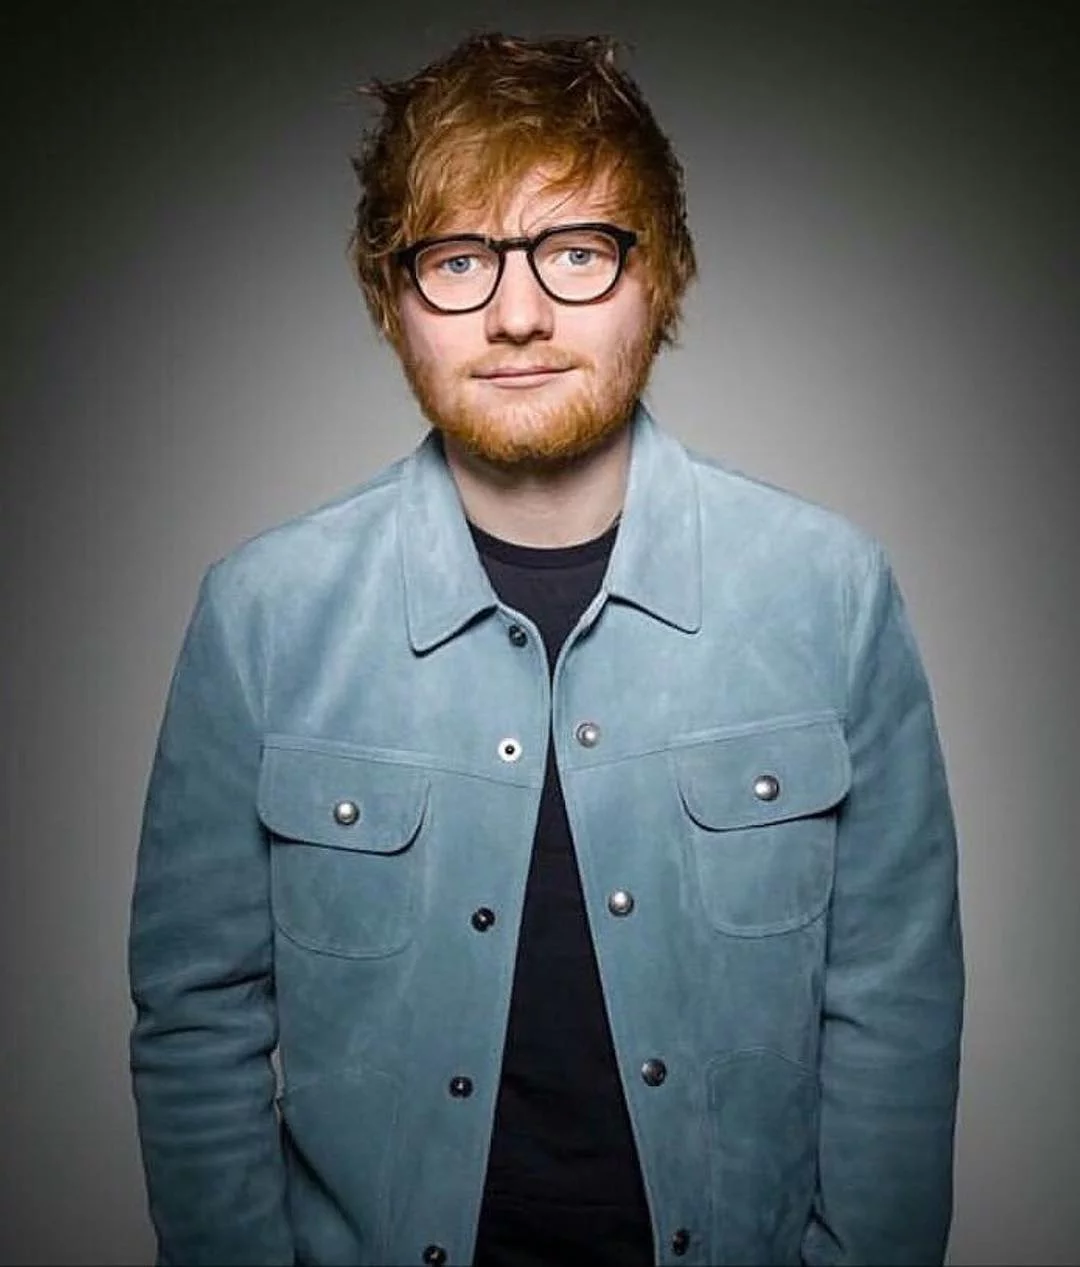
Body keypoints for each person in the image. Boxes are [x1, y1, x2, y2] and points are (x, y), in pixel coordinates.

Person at [127, 31, 964, 1267]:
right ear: (394, 302)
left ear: (661, 276)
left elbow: (896, 1010)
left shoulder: (834, 595)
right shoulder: (260, 617)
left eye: (577, 251)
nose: (517, 315)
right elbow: (195, 1021)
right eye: (459, 259)